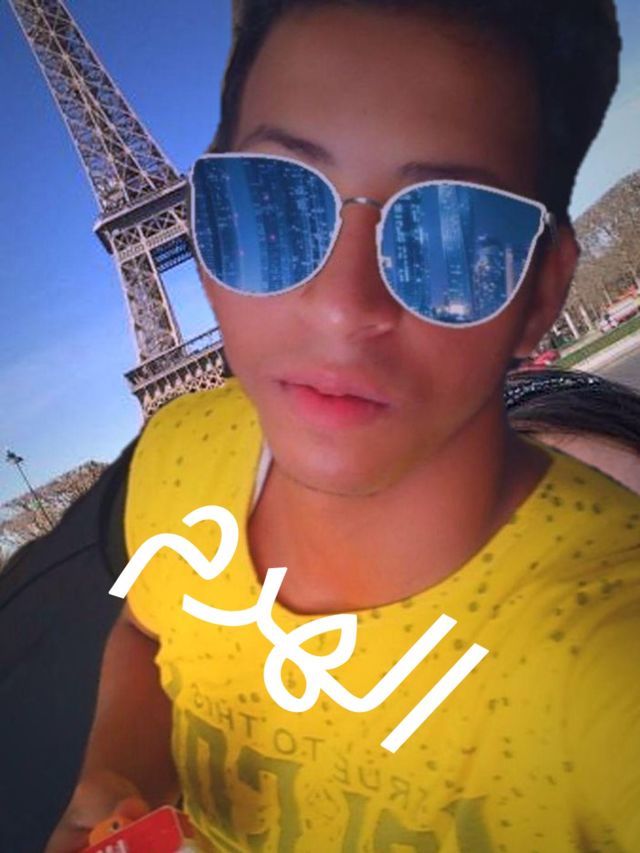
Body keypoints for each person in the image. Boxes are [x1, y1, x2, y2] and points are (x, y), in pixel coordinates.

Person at [37, 0, 640, 850]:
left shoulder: (606, 651)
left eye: (449, 232)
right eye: (273, 207)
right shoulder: (181, 448)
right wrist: (114, 775)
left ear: (542, 291)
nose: (341, 307)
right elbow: (149, 625)